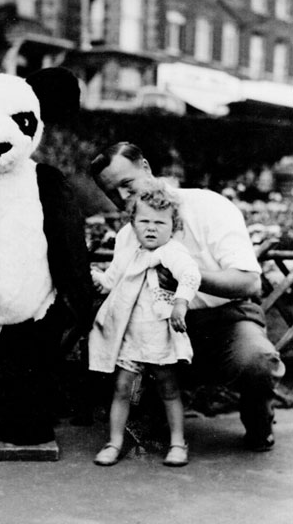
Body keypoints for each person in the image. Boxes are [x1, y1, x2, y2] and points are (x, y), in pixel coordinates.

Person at [90, 142, 285, 452]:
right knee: (135, 399)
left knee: (257, 360)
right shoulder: (129, 235)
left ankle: (258, 420)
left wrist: (190, 276)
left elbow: (249, 283)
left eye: (127, 184)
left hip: (226, 322)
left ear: (145, 168)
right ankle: (149, 421)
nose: (123, 198)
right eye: (113, 193)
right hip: (162, 328)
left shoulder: (207, 206)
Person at [89, 181, 201, 466]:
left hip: (160, 334)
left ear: (173, 226)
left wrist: (180, 302)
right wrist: (95, 278)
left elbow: (190, 275)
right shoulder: (129, 251)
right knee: (122, 387)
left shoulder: (171, 252)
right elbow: (111, 280)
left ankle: (178, 442)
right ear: (133, 223)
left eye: (160, 223)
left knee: (168, 387)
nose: (151, 228)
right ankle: (114, 441)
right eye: (144, 221)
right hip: (131, 335)